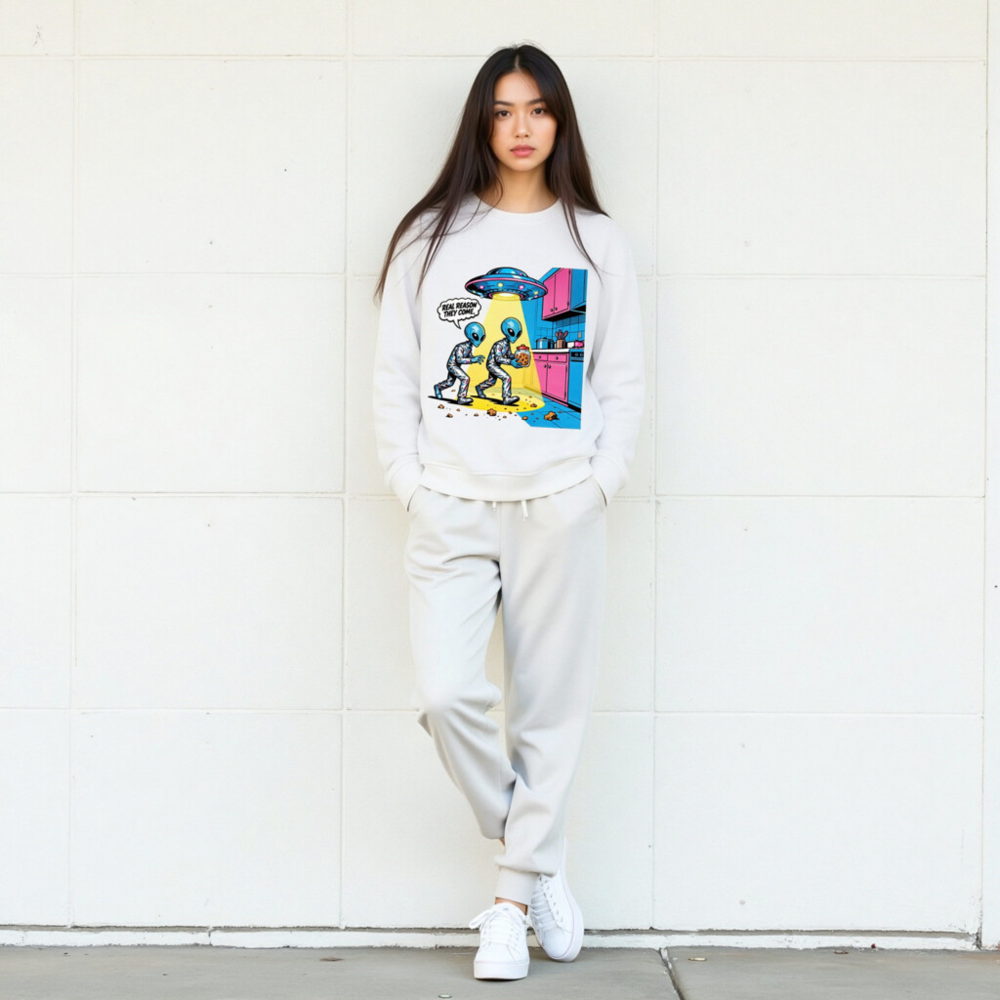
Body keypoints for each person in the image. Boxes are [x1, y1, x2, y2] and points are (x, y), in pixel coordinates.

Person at [371, 42, 645, 981]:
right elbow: (395, 374)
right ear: (480, 124)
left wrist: (597, 483)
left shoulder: (595, 242)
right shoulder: (431, 239)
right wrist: (409, 480)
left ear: (560, 121)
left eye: (537, 109)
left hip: (558, 503)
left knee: (549, 714)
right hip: (450, 504)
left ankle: (510, 903)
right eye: (502, 111)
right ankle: (540, 853)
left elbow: (622, 380)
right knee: (446, 695)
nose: (521, 128)